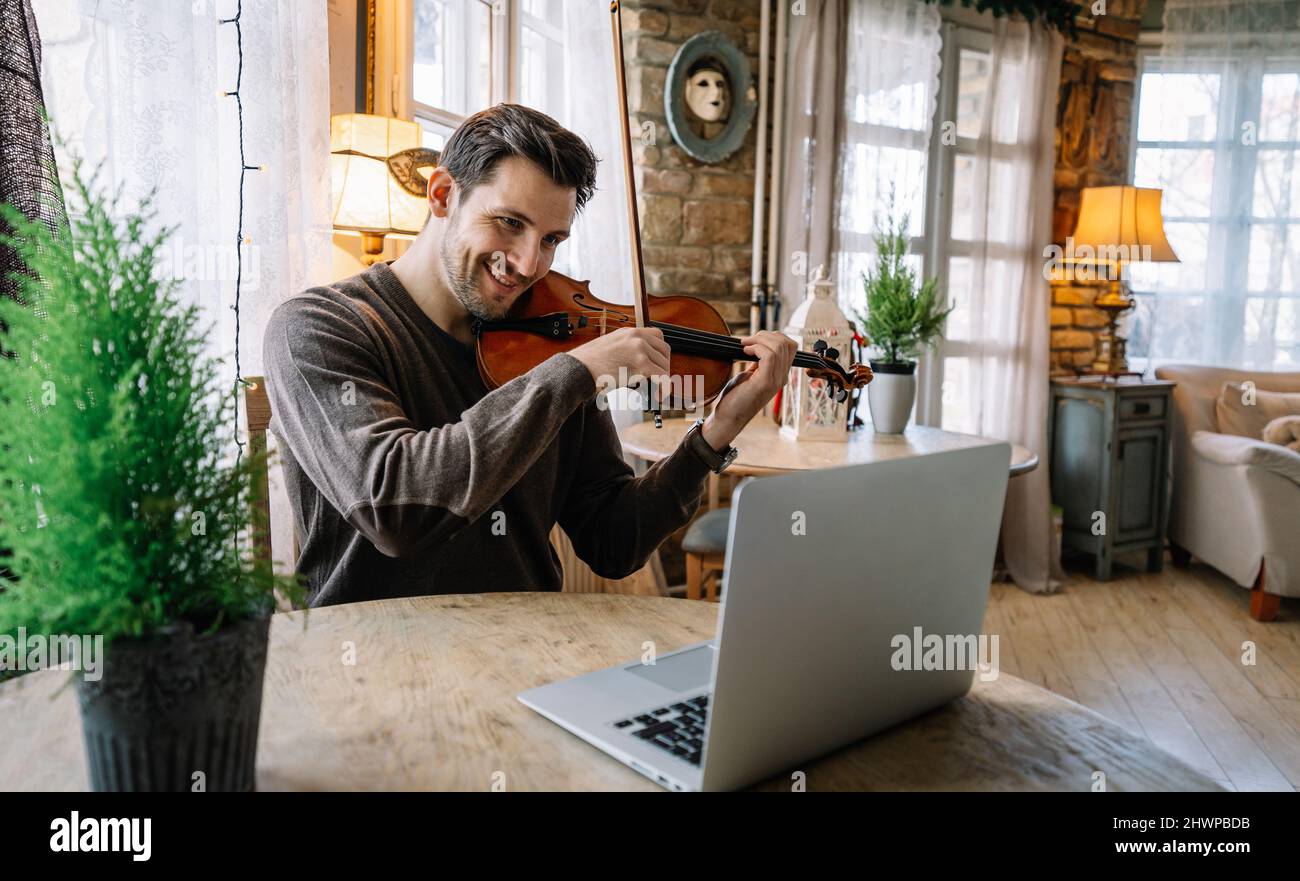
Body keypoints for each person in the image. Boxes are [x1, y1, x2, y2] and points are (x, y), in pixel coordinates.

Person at [263, 103, 795, 607]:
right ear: (444, 195)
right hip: (374, 667)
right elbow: (396, 509)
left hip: (527, 650)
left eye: (551, 240)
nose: (528, 263)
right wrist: (575, 373)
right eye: (510, 223)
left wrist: (714, 434)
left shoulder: (549, 341)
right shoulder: (317, 327)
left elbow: (613, 541)